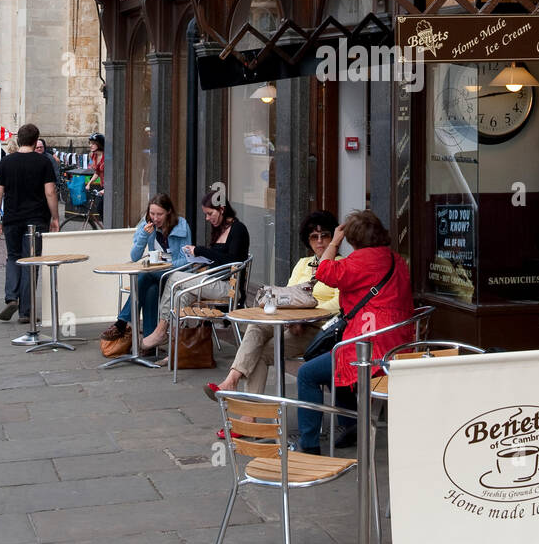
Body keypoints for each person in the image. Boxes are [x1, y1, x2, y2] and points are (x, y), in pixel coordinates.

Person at [295, 210, 414, 455]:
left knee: (307, 373)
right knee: (334, 361)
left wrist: (335, 241)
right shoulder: (396, 260)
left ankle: (308, 445)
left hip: (369, 348)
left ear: (352, 238)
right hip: (398, 345)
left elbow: (323, 271)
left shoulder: (359, 262)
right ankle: (350, 426)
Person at [205, 210, 340, 399]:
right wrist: (293, 320)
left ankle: (247, 415)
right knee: (257, 325)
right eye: (314, 237)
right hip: (292, 324)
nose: (319, 241)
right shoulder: (303, 263)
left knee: (259, 354)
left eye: (324, 236)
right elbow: (289, 295)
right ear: (307, 240)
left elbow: (338, 304)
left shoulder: (342, 264)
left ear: (333, 237)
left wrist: (303, 317)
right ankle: (232, 380)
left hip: (319, 330)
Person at [141, 190, 250, 352]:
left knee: (173, 277)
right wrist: (200, 257)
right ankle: (176, 350)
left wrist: (200, 251)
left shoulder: (238, 229)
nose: (207, 218)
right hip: (212, 281)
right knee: (181, 296)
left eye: (209, 213)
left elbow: (233, 260)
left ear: (221, 209)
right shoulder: (220, 229)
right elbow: (217, 258)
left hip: (228, 288)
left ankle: (161, 330)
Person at [99, 193, 191, 348]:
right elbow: (134, 256)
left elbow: (187, 259)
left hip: (175, 274)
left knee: (145, 275)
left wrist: (166, 265)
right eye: (152, 213)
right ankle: (149, 343)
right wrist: (144, 235)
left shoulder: (181, 225)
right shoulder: (146, 225)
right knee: (151, 289)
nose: (155, 218)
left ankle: (122, 322)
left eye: (159, 214)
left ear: (168, 211)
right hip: (156, 276)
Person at [0, 122, 60, 323]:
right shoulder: (43, 162)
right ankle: (26, 311)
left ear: (19, 139)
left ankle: (11, 297)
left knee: (13, 256)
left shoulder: (6, 162)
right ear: (35, 140)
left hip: (12, 218)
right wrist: (55, 217)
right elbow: (50, 191)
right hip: (37, 219)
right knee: (31, 262)